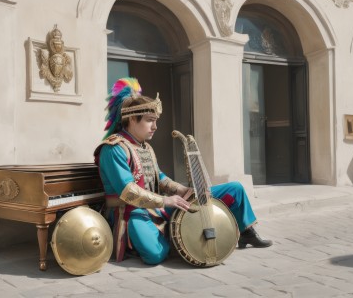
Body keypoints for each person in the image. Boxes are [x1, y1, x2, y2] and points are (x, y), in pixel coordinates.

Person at [94, 78, 272, 265]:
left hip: (160, 206)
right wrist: (166, 200)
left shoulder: (145, 147)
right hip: (132, 212)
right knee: (155, 255)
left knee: (234, 189)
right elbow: (127, 191)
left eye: (155, 121)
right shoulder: (114, 149)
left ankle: (246, 233)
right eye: (150, 121)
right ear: (131, 119)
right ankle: (179, 237)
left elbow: (160, 178)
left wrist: (180, 190)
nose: (155, 127)